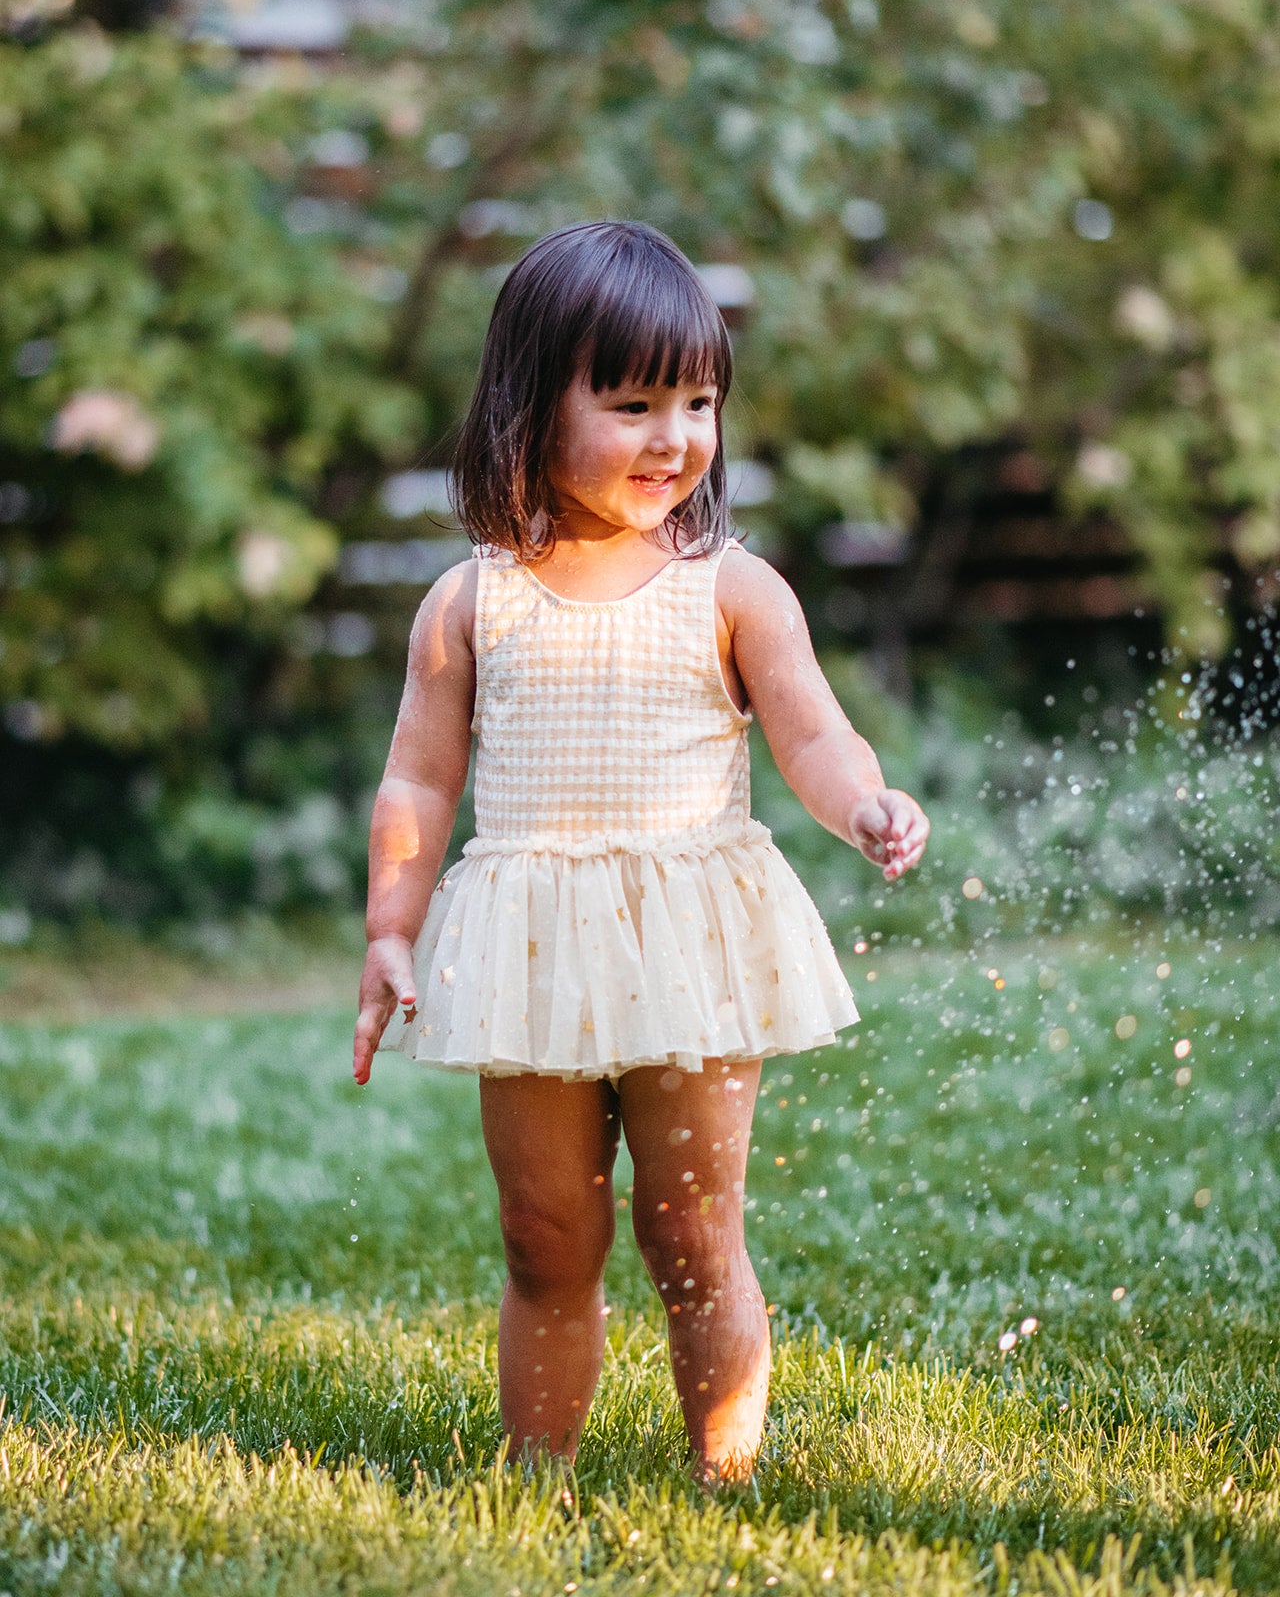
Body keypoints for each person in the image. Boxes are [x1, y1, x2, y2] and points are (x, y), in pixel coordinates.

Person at [352, 220, 928, 1485]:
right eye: (630, 402)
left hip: (689, 940)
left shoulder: (731, 587)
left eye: (698, 400)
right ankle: (536, 1465)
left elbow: (812, 731)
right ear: (529, 406)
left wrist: (865, 803)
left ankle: (725, 1472)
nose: (673, 436)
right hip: (531, 943)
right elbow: (417, 777)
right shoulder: (470, 601)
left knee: (691, 1229)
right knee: (544, 1233)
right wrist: (391, 924)